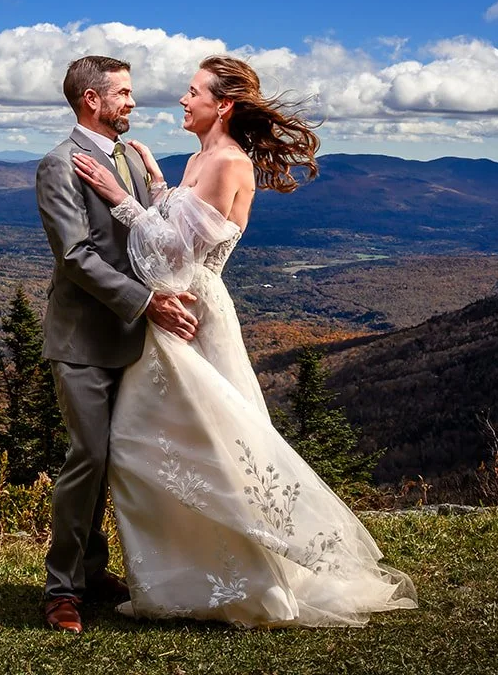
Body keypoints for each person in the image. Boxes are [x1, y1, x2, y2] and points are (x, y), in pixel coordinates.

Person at [69, 55, 416, 627]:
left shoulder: (229, 163)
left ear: (222, 105)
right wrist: (156, 180)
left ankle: (238, 579)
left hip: (193, 315)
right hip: (175, 311)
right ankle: (182, 575)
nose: (183, 100)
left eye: (193, 91)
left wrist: (118, 196)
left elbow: (174, 254)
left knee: (196, 450)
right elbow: (175, 224)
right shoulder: (200, 157)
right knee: (158, 449)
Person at [33, 55, 199, 634]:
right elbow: (75, 257)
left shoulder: (128, 156)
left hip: (134, 338)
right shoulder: (57, 166)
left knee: (117, 459)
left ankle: (93, 571)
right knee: (89, 458)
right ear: (91, 101)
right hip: (81, 341)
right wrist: (147, 301)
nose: (132, 102)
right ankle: (61, 591)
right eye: (123, 94)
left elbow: (149, 235)